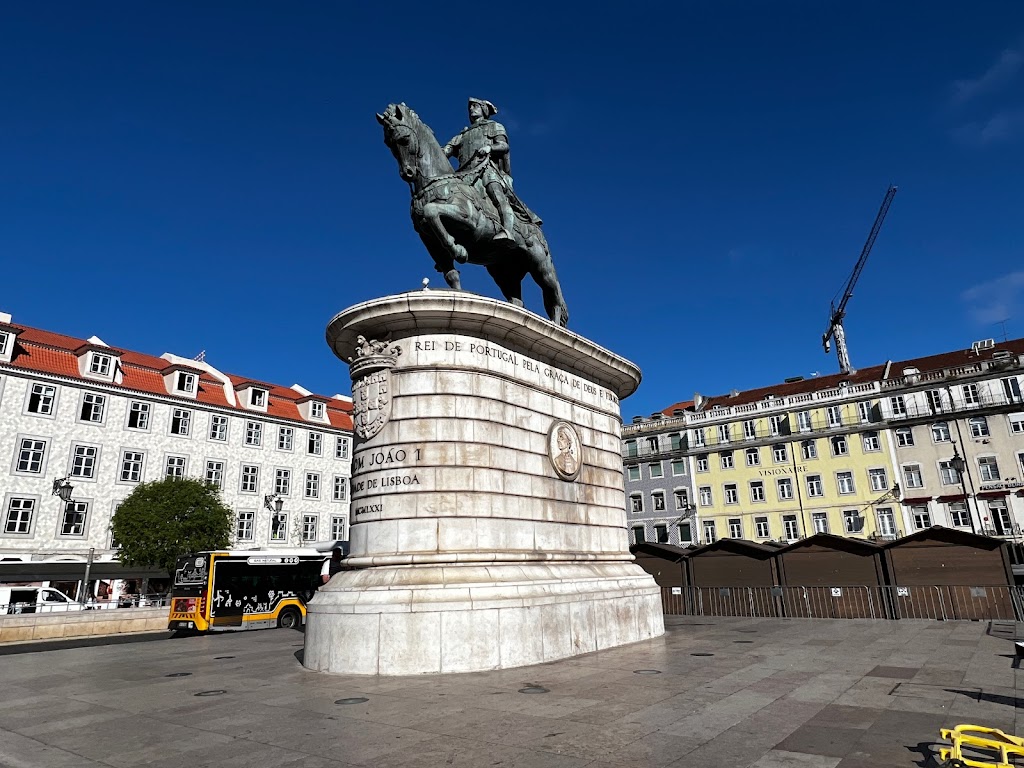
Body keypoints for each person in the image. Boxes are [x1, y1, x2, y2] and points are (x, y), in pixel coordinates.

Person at [443, 98, 539, 242]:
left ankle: (508, 231)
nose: (471, 109)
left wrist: (490, 147)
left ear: (484, 110)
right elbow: (445, 151)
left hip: (486, 168)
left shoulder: (494, 126)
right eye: (470, 107)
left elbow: (503, 146)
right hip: (463, 174)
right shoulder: (461, 135)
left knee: (497, 193)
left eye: (475, 106)